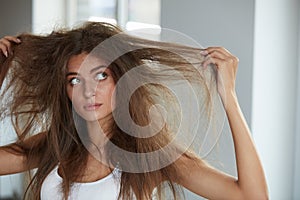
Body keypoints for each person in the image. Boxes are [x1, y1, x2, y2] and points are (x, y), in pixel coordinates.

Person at [0, 22, 268, 200]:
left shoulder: (149, 153)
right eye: (75, 80)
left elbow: (252, 196)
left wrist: (229, 96)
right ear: (66, 90)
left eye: (101, 76)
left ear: (121, 79)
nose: (88, 90)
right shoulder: (54, 145)